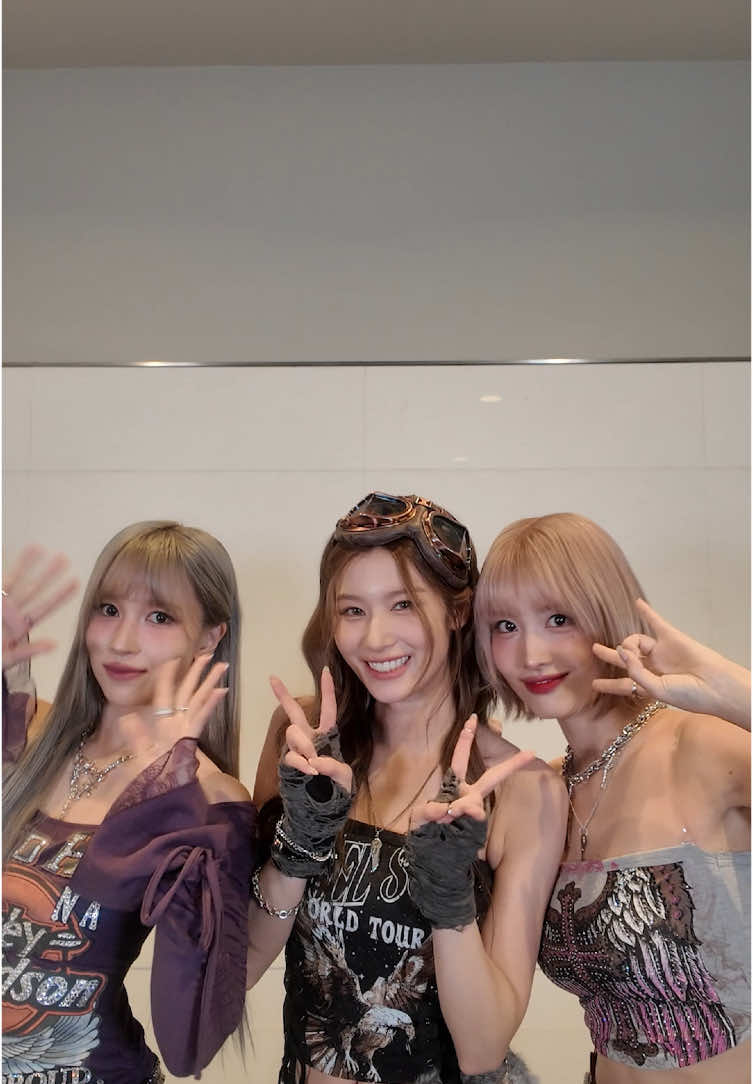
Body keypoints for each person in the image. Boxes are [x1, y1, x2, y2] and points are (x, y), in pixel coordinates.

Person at [249, 492, 567, 1084]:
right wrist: (297, 846)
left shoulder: (524, 789)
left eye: (402, 605)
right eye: (352, 610)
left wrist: (449, 898)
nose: (375, 639)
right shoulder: (304, 742)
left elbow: (483, 1048)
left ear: (457, 611)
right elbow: (241, 966)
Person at [474, 513, 750, 1084]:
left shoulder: (698, 745)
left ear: (605, 611)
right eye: (505, 625)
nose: (531, 654)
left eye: (558, 619)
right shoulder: (544, 791)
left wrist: (733, 690)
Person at [2, 523, 255, 1083]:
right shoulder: (30, 737)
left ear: (209, 637)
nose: (121, 641)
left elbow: (188, 1039)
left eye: (159, 617)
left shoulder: (210, 798)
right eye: (109, 609)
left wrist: (166, 804)